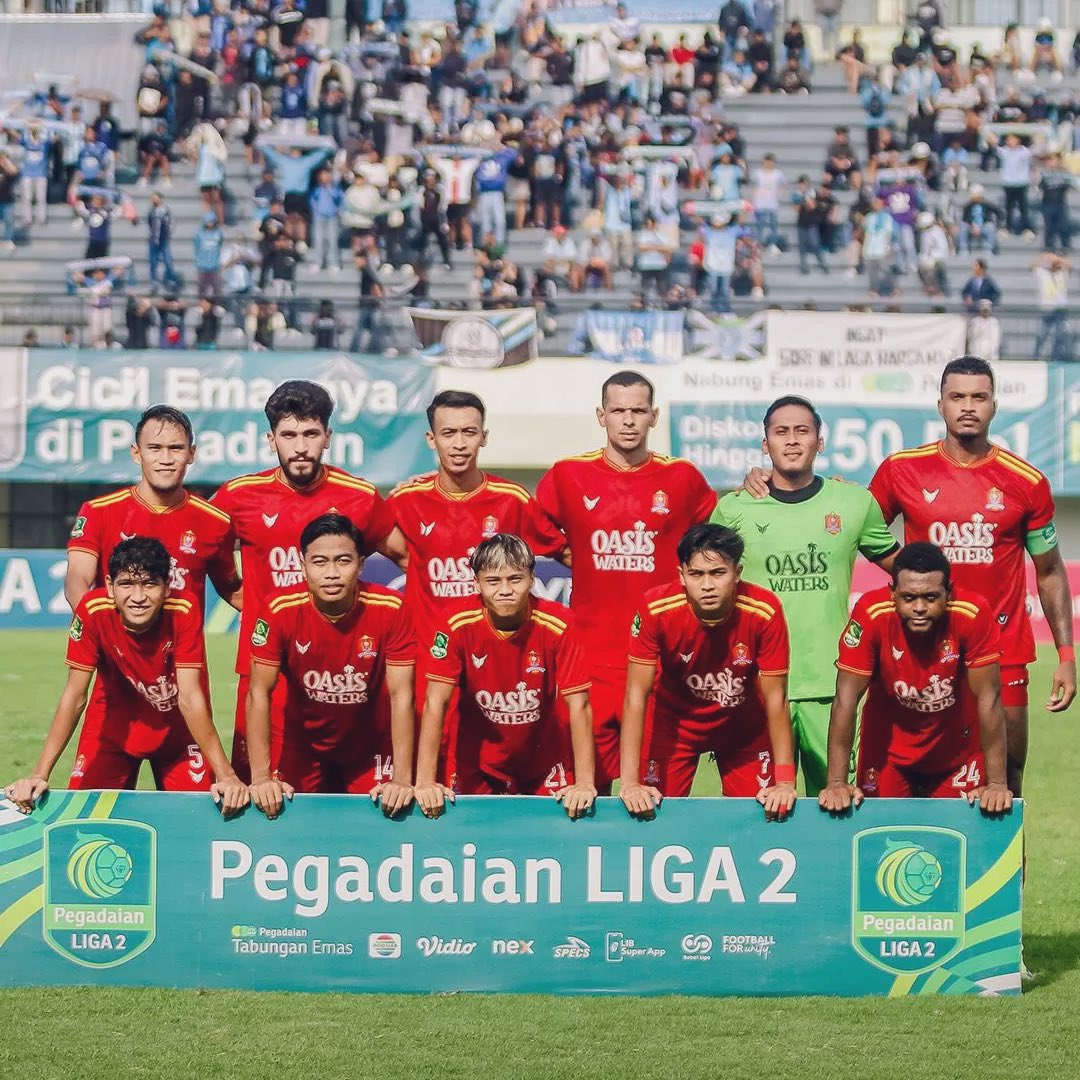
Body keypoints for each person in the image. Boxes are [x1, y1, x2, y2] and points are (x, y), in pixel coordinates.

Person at [868, 356, 1076, 797]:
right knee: (915, 772)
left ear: (994, 406)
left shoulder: (1027, 481)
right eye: (957, 397)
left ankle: (1008, 870)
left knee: (1008, 778)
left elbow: (1051, 571)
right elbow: (859, 530)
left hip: (1005, 650)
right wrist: (907, 576)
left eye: (978, 397)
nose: (968, 406)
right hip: (921, 647)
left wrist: (1065, 653)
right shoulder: (901, 469)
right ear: (939, 405)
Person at [535, 371, 716, 793]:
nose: (628, 420)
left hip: (660, 660)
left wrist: (757, 483)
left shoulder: (683, 478)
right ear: (602, 416)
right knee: (582, 790)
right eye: (618, 410)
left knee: (657, 794)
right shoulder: (568, 474)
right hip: (590, 659)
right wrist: (570, 552)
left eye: (638, 410)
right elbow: (532, 525)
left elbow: (715, 537)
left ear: (654, 416)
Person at [211, 380, 401, 781]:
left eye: (311, 434)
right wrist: (243, 597)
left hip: (347, 670)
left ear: (327, 437)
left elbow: (410, 558)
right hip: (269, 668)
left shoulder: (359, 496)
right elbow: (203, 555)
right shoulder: (239, 495)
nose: (300, 446)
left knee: (360, 796)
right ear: (271, 438)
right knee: (260, 793)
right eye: (289, 435)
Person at [714, 396, 898, 794]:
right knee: (756, 810)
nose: (792, 441)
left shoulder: (852, 503)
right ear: (765, 444)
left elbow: (906, 574)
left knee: (839, 805)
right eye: (781, 432)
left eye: (803, 431)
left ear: (820, 442)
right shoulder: (733, 509)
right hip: (756, 688)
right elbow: (704, 586)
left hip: (832, 688)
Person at [387, 391, 566, 778]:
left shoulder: (512, 499)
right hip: (429, 666)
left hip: (497, 671)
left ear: (484, 436)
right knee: (427, 781)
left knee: (502, 770)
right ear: (431, 440)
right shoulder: (406, 498)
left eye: (469, 432)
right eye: (448, 432)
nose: (459, 443)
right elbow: (366, 547)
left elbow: (567, 553)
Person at [3, 537, 246, 815]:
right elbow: (75, 695)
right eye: (127, 584)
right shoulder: (92, 611)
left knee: (198, 818)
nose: (138, 597)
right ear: (109, 586)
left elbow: (190, 697)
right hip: (111, 729)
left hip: (179, 734)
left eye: (150, 584)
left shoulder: (184, 610)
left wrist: (226, 774)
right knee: (87, 819)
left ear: (167, 588)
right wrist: (40, 773)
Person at [618, 522, 796, 822]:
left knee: (762, 816)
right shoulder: (655, 609)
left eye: (718, 573)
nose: (708, 585)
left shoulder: (765, 610)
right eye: (696, 574)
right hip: (674, 725)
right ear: (681, 575)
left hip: (743, 728)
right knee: (650, 815)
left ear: (737, 573)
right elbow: (636, 695)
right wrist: (629, 782)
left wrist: (786, 781)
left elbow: (777, 699)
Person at [413, 533, 596, 820]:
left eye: (515, 579)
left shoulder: (560, 623)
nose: (505, 590)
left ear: (532, 578)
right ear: (477, 583)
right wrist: (424, 780)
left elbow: (579, 705)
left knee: (556, 836)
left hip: (543, 758)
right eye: (493, 581)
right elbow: (436, 702)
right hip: (475, 761)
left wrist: (585, 783)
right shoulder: (454, 623)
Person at [246, 514, 416, 820]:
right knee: (280, 821)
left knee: (386, 821)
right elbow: (259, 692)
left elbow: (402, 695)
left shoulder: (391, 608)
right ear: (302, 564)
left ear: (361, 564)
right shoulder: (279, 608)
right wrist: (260, 777)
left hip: (369, 746)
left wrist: (403, 778)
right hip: (300, 742)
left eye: (343, 561)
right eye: (320, 562)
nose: (332, 573)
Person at [819, 543, 1011, 814]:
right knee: (883, 835)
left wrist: (997, 784)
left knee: (953, 840)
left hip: (956, 754)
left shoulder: (973, 613)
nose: (919, 607)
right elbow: (846, 699)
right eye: (909, 598)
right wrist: (837, 782)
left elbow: (989, 700)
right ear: (892, 593)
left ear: (949, 593)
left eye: (931, 597)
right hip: (888, 755)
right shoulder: (871, 614)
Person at [65, 405, 240, 613]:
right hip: (115, 645)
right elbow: (77, 579)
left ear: (191, 453)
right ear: (137, 453)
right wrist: (98, 627)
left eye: (176, 448)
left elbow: (232, 590)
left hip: (183, 646)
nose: (165, 459)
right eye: (155, 448)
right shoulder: (98, 511)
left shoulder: (214, 520)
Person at [1031, 252, 1073, 361]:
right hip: (1047, 309)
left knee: (1060, 335)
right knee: (1042, 335)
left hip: (1060, 310)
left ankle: (1058, 357)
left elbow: (1069, 265)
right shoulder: (1042, 274)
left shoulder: (1062, 274)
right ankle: (1036, 356)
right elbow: (1032, 266)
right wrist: (1045, 256)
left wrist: (1058, 258)